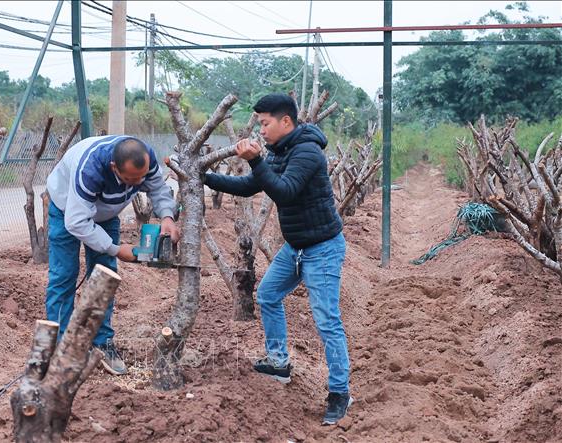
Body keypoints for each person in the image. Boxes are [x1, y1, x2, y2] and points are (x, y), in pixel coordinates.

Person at [203, 93, 352, 425]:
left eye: (265, 123)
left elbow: (283, 191)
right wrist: (205, 177)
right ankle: (278, 362)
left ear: (286, 122)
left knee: (327, 321)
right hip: (296, 247)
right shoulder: (280, 151)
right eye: (259, 124)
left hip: (322, 248)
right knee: (269, 294)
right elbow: (248, 187)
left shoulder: (308, 153)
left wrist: (256, 161)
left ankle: (340, 393)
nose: (262, 130)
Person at [45, 135, 179, 375]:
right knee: (63, 276)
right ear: (114, 168)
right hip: (67, 210)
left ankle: (102, 343)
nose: (137, 184)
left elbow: (157, 187)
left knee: (105, 277)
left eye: (141, 178)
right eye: (130, 179)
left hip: (105, 216)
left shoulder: (143, 158)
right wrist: (116, 249)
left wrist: (167, 216)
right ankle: (61, 351)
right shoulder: (90, 170)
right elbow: (76, 223)